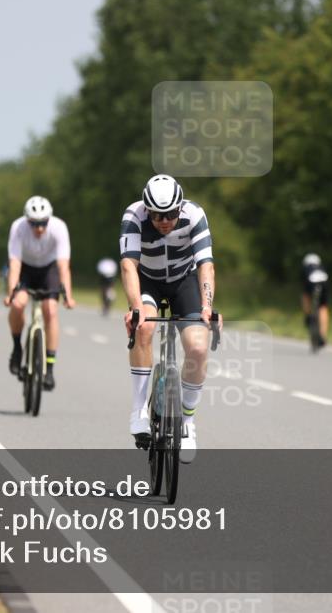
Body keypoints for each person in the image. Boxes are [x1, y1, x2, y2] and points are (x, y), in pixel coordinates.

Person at [121, 174, 220, 464]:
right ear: (146, 209)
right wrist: (136, 308)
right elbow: (128, 265)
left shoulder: (194, 214)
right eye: (156, 215)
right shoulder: (134, 216)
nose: (164, 221)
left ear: (180, 207)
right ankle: (139, 411)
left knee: (198, 347)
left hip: (183, 281)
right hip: (147, 281)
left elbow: (206, 265)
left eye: (170, 214)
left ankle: (187, 422)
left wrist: (207, 307)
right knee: (144, 327)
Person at [4, 196, 76, 390]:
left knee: (50, 310)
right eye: (34, 224)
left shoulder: (59, 227)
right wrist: (11, 293)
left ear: (49, 220)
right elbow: (14, 264)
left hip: (49, 269)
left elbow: (63, 266)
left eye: (43, 223)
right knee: (18, 304)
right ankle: (17, 348)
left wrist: (68, 295)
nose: (40, 228)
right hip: (25, 269)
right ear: (27, 220)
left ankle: (49, 368)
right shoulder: (18, 228)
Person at [301, 253, 330, 349]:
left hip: (311, 282)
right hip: (324, 282)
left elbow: (305, 290)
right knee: (323, 307)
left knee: (305, 296)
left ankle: (308, 315)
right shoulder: (321, 267)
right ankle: (323, 335)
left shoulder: (306, 268)